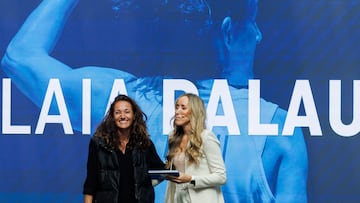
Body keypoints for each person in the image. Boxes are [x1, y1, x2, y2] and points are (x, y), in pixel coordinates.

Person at [2, 0, 308, 202]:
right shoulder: (278, 132)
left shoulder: (120, 101)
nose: (258, 36)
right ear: (227, 33)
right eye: (251, 24)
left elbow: (19, 58)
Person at [83, 94, 165, 203]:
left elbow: (162, 171)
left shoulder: (145, 144)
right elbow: (91, 182)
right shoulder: (98, 144)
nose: (122, 116)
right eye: (118, 112)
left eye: (127, 112)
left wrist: (145, 186)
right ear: (112, 116)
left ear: (134, 115)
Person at [164, 93, 226, 203]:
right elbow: (170, 169)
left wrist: (191, 179)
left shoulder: (206, 137)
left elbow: (221, 176)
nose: (177, 111)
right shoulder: (172, 137)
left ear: (195, 111)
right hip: (178, 198)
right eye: (177, 107)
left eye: (183, 108)